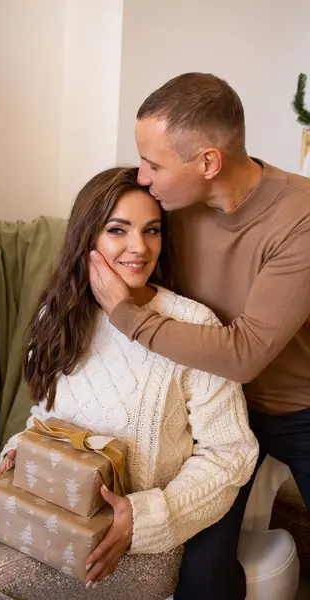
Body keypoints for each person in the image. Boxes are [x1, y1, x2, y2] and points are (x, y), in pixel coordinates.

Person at [0, 167, 257, 600]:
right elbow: (44, 419)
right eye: (118, 230)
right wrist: (13, 464)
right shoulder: (58, 318)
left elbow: (232, 454)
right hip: (48, 515)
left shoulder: (193, 325)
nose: (140, 248)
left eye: (151, 231)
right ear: (87, 239)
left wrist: (145, 517)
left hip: (137, 547)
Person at [89, 73, 310, 600]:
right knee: (202, 573)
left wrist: (127, 315)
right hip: (210, 413)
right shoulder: (165, 207)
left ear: (208, 162)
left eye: (155, 164)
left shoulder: (300, 217)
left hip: (300, 408)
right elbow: (111, 240)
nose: (143, 177)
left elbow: (245, 353)